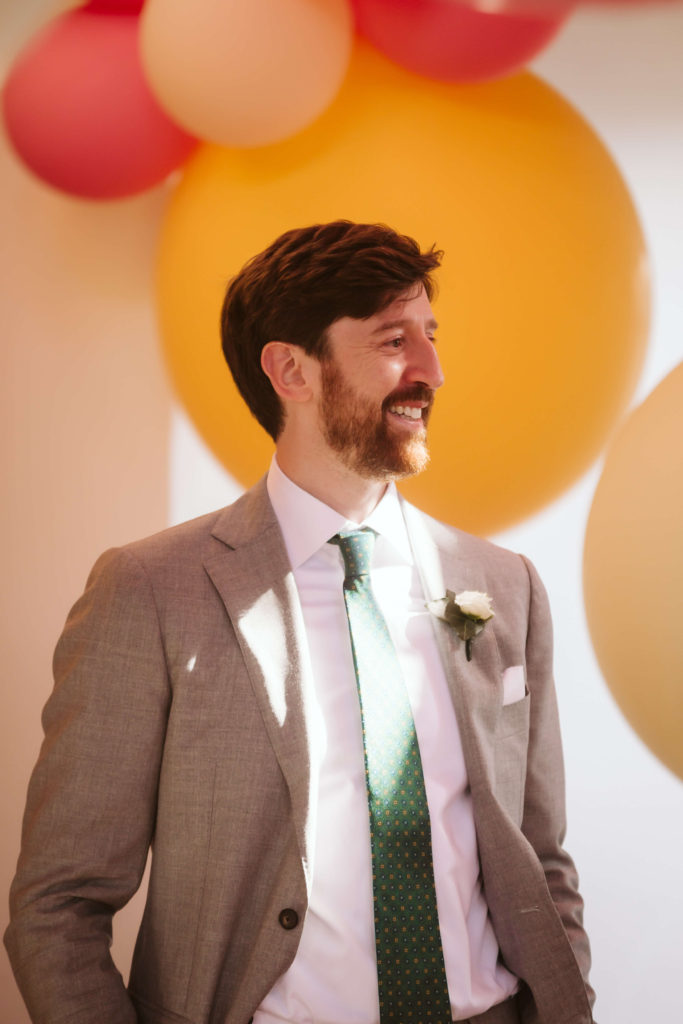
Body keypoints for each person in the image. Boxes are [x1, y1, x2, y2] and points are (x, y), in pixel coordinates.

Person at [5, 221, 595, 1024]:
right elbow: (59, 904)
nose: (432, 372)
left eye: (429, 335)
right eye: (393, 340)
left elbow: (541, 859)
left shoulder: (505, 585)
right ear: (290, 368)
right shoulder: (150, 590)